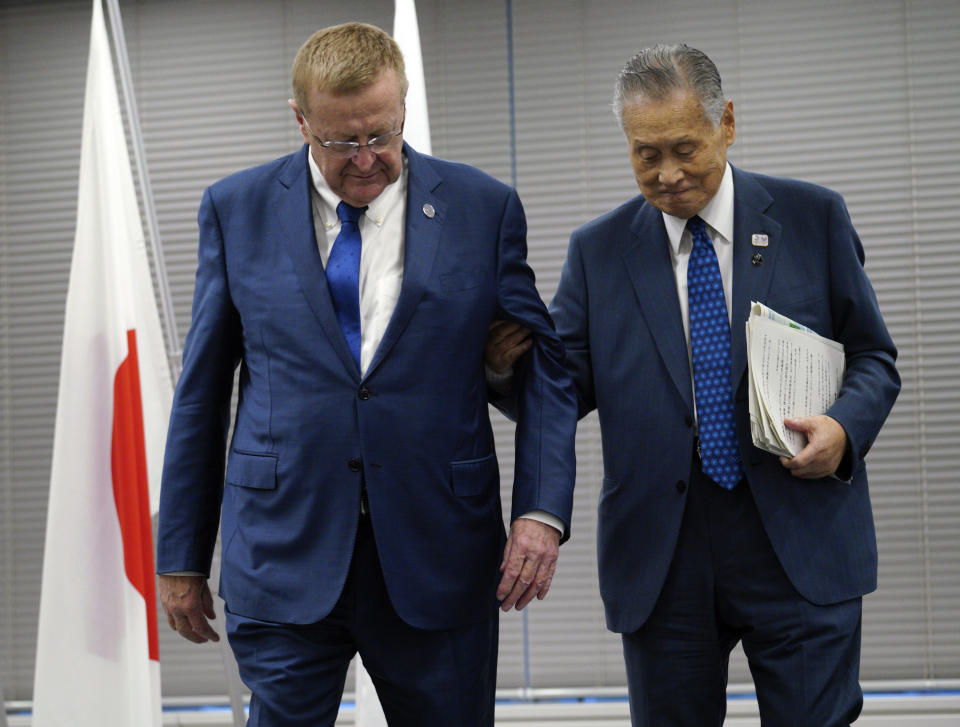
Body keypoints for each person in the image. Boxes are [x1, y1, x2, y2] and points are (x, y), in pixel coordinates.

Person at [156, 22, 576, 727]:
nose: (366, 160)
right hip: (284, 549)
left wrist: (540, 513)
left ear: (403, 108)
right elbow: (202, 392)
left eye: (381, 135)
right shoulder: (237, 210)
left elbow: (543, 371)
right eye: (341, 141)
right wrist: (181, 553)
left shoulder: (483, 209)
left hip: (438, 552)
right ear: (300, 121)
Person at [489, 44, 899, 726]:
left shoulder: (811, 218)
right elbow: (563, 387)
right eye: (645, 153)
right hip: (662, 555)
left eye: (685, 146)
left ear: (727, 123)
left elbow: (873, 358)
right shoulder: (598, 251)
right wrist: (504, 363)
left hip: (797, 536)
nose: (668, 173)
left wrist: (844, 429)